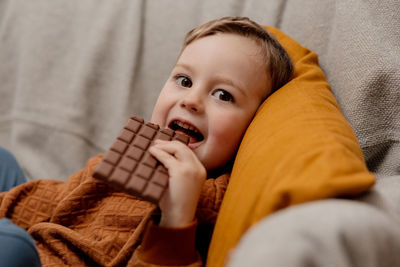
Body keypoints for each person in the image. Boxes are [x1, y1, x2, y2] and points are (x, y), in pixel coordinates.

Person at [0, 17, 293, 266]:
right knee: (4, 162)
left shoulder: (220, 204)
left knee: (14, 246)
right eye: (184, 81)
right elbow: (58, 199)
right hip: (38, 239)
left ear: (255, 123)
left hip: (30, 257)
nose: (191, 100)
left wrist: (177, 218)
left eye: (223, 95)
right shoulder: (126, 158)